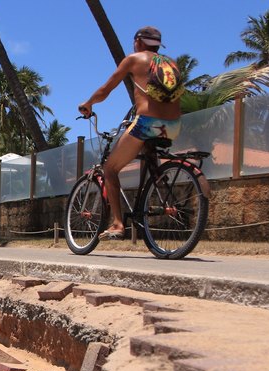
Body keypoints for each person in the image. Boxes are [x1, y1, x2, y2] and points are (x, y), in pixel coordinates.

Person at [79, 26, 206, 239]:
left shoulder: (133, 59)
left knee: (110, 169)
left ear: (138, 41)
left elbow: (106, 89)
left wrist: (88, 103)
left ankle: (118, 224)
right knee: (150, 156)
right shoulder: (170, 63)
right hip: (174, 125)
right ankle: (159, 193)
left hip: (147, 122)